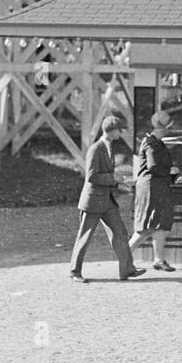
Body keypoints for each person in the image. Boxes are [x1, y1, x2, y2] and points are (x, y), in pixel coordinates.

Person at [69, 114, 144, 283]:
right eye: (119, 130)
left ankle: (127, 270)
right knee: (85, 237)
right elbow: (92, 177)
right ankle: (75, 271)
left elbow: (106, 176)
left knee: (120, 233)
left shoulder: (109, 146)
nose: (121, 134)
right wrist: (115, 179)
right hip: (93, 202)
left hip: (107, 200)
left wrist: (120, 184)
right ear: (111, 131)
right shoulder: (96, 149)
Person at [129, 110, 178, 271]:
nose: (169, 131)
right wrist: (169, 171)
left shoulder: (157, 142)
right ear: (162, 129)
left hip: (158, 186)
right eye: (168, 128)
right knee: (147, 225)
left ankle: (158, 259)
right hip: (151, 187)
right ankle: (125, 255)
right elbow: (153, 166)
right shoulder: (150, 143)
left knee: (160, 224)